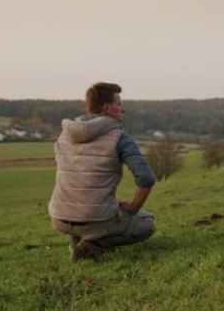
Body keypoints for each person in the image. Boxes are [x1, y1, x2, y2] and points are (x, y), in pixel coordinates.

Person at [48, 82, 157, 261]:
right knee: (148, 223)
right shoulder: (120, 138)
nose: (122, 110)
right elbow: (145, 177)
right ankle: (93, 244)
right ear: (107, 108)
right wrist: (133, 206)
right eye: (119, 104)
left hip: (59, 217)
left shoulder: (64, 135)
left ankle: (78, 244)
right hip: (96, 218)